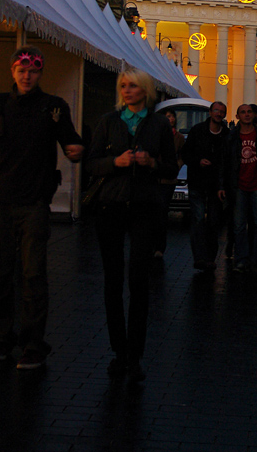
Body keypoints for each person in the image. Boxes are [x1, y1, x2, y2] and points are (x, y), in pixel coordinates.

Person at [0, 45, 83, 369]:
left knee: (32, 275)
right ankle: (1, 338)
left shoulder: (53, 107)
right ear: (13, 71)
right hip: (1, 198)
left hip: (34, 202)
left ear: (40, 73)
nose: (27, 75)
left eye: (33, 70)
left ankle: (33, 344)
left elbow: (70, 138)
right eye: (21, 70)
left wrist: (76, 150)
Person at [87, 67, 178, 383]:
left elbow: (171, 165)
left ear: (145, 91)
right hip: (111, 205)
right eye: (123, 86)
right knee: (113, 280)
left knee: (138, 281)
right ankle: (118, 350)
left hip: (144, 206)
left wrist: (152, 163)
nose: (127, 90)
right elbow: (91, 162)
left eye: (133, 86)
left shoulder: (157, 125)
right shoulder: (108, 122)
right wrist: (116, 162)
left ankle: (135, 354)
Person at [220, 104, 257, 276]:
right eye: (243, 112)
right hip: (238, 187)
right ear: (237, 116)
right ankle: (241, 260)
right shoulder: (231, 137)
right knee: (238, 226)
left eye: (249, 112)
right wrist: (222, 185)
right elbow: (224, 164)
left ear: (253, 115)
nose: (246, 115)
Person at [182, 101, 229, 271]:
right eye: (216, 110)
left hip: (216, 185)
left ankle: (210, 257)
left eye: (222, 111)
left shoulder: (227, 135)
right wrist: (198, 161)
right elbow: (186, 153)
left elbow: (228, 161)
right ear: (210, 112)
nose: (218, 113)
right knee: (198, 219)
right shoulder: (197, 131)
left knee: (214, 222)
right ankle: (200, 257)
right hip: (197, 182)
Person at [153, 108, 184, 259]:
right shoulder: (155, 134)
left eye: (171, 116)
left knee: (162, 211)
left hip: (168, 179)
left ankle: (159, 247)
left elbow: (183, 155)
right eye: (167, 116)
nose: (169, 119)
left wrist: (176, 166)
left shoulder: (178, 137)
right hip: (154, 177)